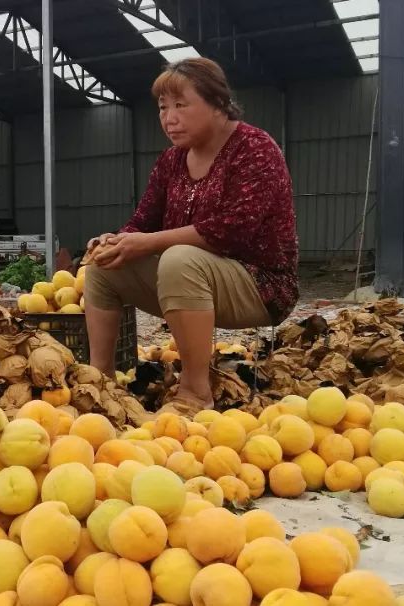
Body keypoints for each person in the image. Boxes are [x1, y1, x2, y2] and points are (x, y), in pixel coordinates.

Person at [84, 57, 299, 410]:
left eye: (181, 105)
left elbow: (233, 230)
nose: (169, 117)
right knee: (104, 263)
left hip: (260, 285)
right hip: (191, 280)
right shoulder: (171, 160)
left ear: (218, 105)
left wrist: (149, 242)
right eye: (163, 108)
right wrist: (117, 240)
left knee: (178, 258)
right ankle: (100, 381)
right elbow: (143, 222)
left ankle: (196, 391)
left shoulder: (255, 149)